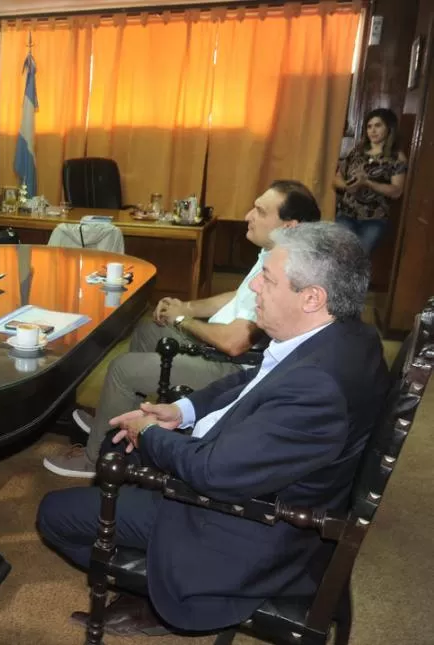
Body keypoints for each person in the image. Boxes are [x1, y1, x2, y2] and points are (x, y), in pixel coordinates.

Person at [37, 222, 386, 636]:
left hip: (240, 525)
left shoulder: (317, 388)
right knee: (124, 456)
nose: (254, 285)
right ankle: (146, 564)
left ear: (312, 297)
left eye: (268, 279)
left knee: (53, 515)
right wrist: (183, 411)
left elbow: (212, 474)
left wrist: (150, 432)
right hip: (258, 476)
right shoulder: (347, 336)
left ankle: (158, 594)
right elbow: (254, 379)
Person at [44, 180, 322, 478]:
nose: (247, 215)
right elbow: (238, 297)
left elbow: (235, 341)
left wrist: (181, 320)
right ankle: (122, 421)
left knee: (123, 369)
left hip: (234, 367)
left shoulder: (289, 272)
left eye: (260, 211)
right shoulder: (274, 253)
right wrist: (187, 307)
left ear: (290, 226)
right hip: (221, 349)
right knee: (148, 331)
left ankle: (97, 460)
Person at [333, 107, 408, 254]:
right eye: (369, 126)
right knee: (339, 257)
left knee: (359, 259)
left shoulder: (396, 158)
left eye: (378, 125)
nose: (373, 130)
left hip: (374, 220)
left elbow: (396, 191)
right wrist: (347, 186)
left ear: (389, 128)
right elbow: (336, 178)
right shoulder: (356, 151)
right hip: (346, 215)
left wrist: (368, 183)